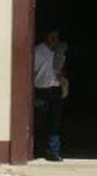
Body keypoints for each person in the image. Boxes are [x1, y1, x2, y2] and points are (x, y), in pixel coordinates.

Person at [34, 29, 67, 161]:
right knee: (37, 121)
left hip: (55, 90)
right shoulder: (38, 52)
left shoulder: (60, 52)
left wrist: (62, 77)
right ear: (46, 37)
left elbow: (62, 69)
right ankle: (34, 149)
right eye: (51, 37)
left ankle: (53, 151)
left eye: (56, 38)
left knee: (55, 122)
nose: (54, 40)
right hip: (41, 91)